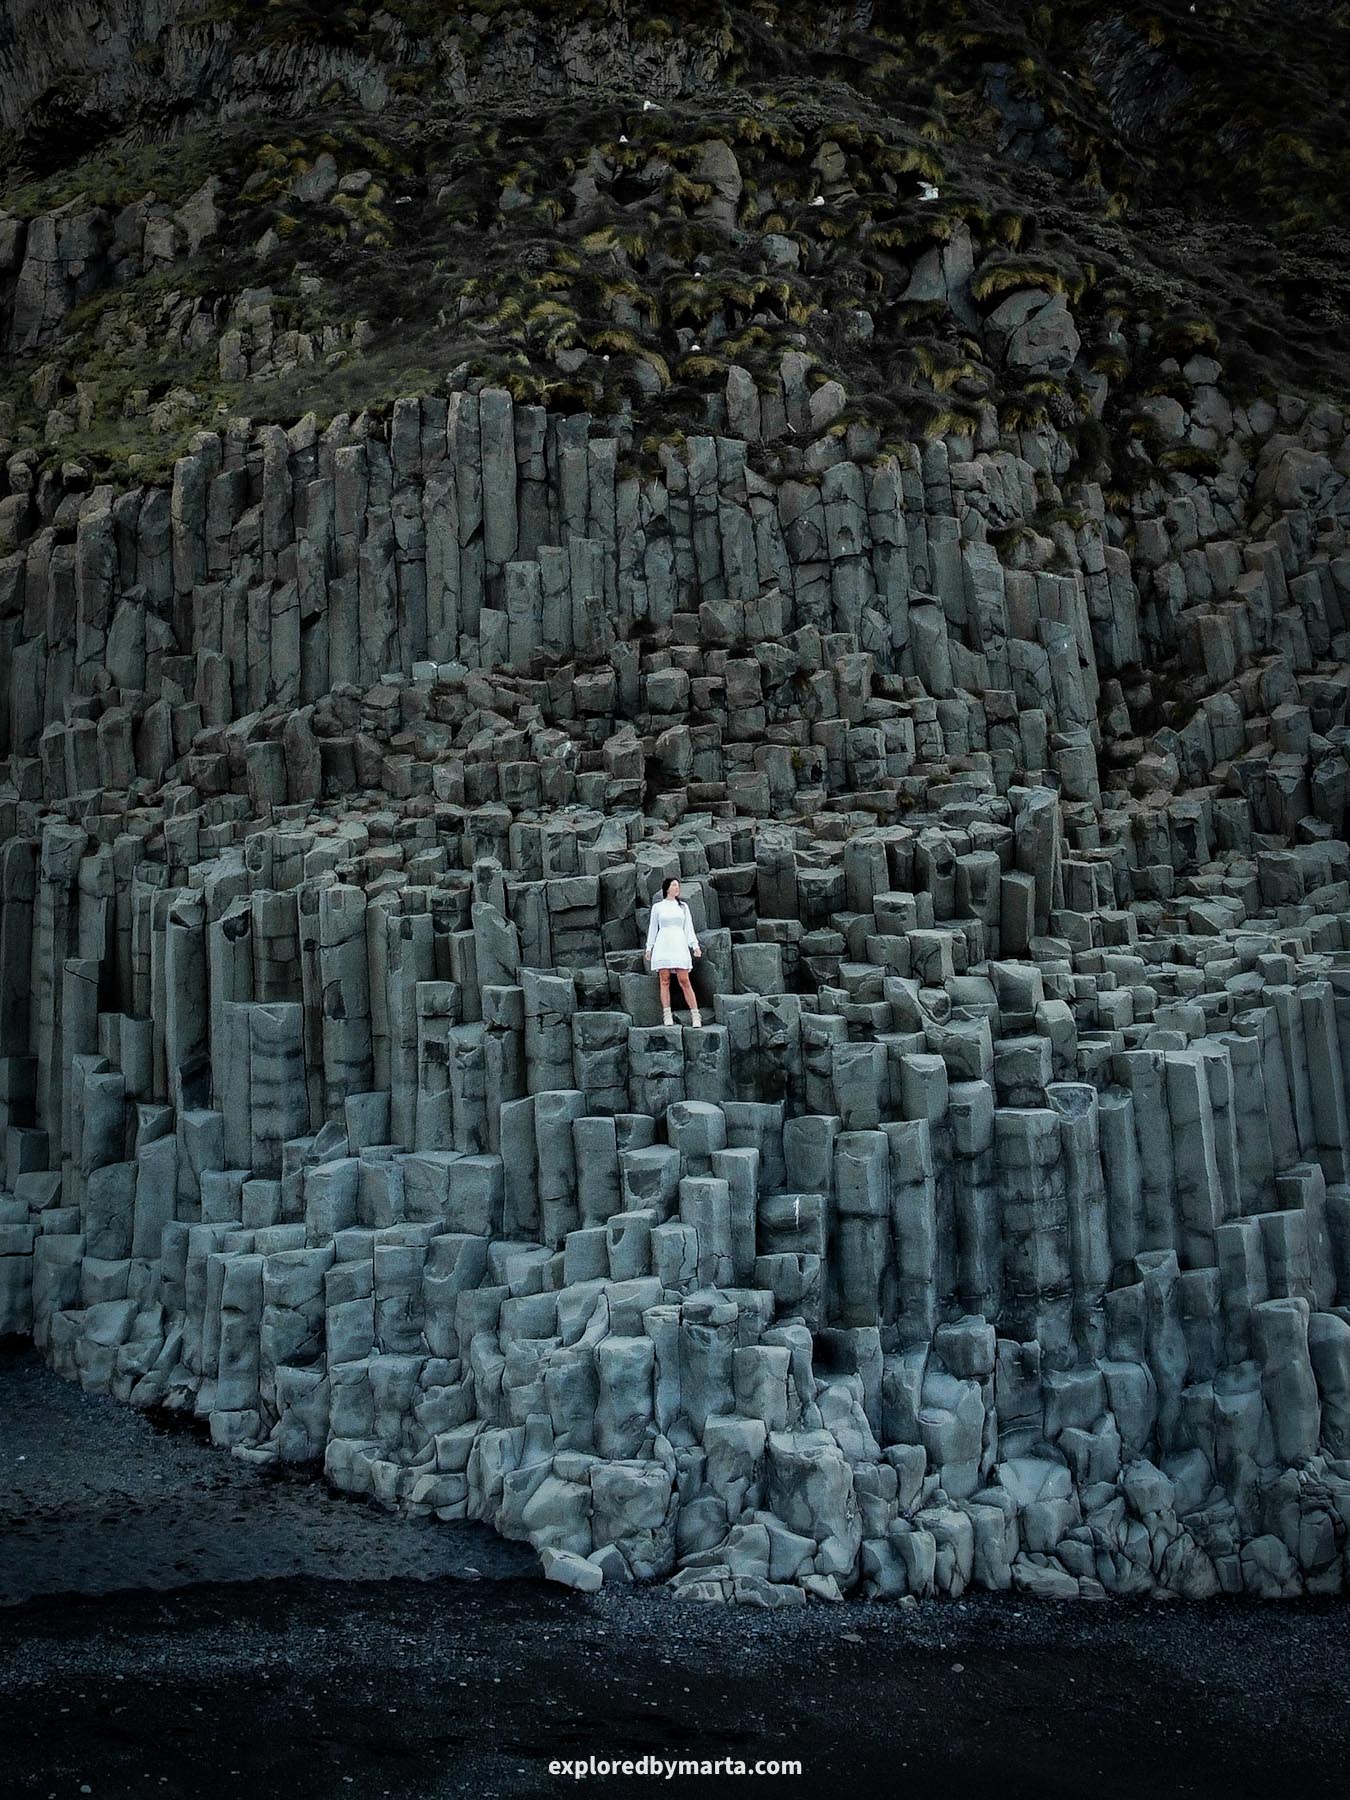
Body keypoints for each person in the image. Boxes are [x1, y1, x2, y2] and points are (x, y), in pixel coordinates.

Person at [644, 875, 703, 1027]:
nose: (677, 888)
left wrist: (694, 945)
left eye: (678, 885)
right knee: (664, 980)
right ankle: (667, 1014)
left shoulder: (683, 906)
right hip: (663, 944)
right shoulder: (658, 907)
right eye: (674, 885)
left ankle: (695, 1016)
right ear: (667, 888)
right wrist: (649, 947)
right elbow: (653, 929)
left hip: (679, 944)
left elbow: (688, 928)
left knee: (684, 979)